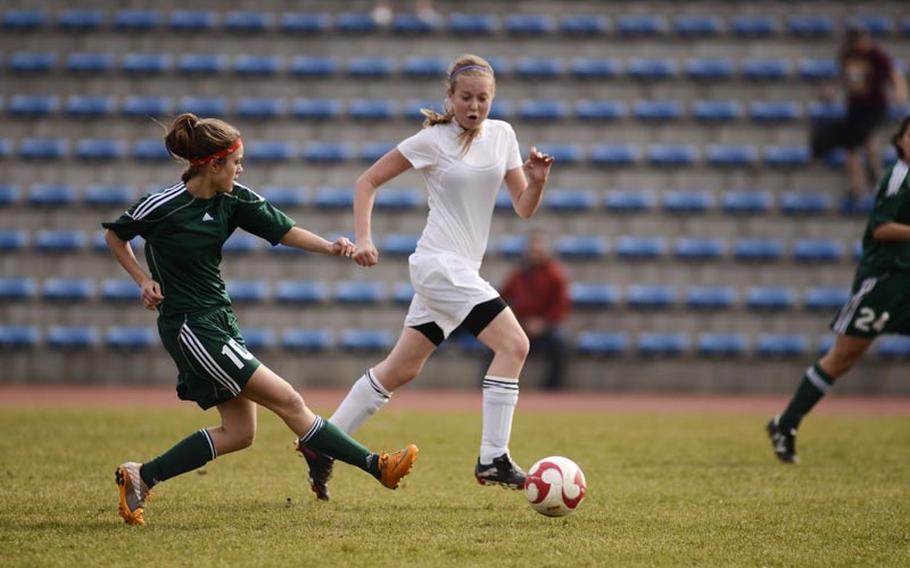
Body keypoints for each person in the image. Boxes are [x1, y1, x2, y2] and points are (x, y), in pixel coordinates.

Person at [102, 113, 417, 525]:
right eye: (236, 162)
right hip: (190, 326)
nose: (240, 169)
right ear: (213, 165)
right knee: (288, 400)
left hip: (219, 320)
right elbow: (116, 234)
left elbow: (284, 230)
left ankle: (142, 475)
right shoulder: (164, 206)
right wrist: (143, 279)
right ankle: (378, 466)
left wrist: (333, 247)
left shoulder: (233, 198)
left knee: (240, 433)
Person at [297, 54, 554, 501]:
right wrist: (364, 238)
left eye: (483, 99)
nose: (475, 107)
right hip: (439, 266)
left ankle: (322, 442)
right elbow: (367, 181)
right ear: (450, 98)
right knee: (515, 344)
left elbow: (524, 207)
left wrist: (538, 181)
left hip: (457, 272)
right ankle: (493, 457)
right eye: (466, 98)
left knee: (401, 369)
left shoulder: (504, 134)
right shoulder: (433, 139)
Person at [768, 114, 910, 464]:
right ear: (900, 140)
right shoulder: (897, 178)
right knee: (843, 358)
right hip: (884, 281)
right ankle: (785, 424)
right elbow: (880, 229)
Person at [810, 26, 908, 200]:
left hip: (874, 107)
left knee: (851, 145)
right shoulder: (847, 56)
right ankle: (875, 176)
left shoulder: (876, 55)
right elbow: (845, 78)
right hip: (855, 108)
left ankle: (859, 185)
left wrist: (900, 90)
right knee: (865, 140)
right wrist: (832, 91)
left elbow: (894, 72)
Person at [493, 230, 571, 390]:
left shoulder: (555, 275)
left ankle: (552, 389)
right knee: (493, 344)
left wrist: (543, 323)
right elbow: (502, 297)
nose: (535, 255)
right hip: (520, 323)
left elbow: (561, 307)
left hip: (545, 326)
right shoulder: (518, 274)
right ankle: (492, 384)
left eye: (538, 251)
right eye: (532, 251)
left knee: (559, 346)